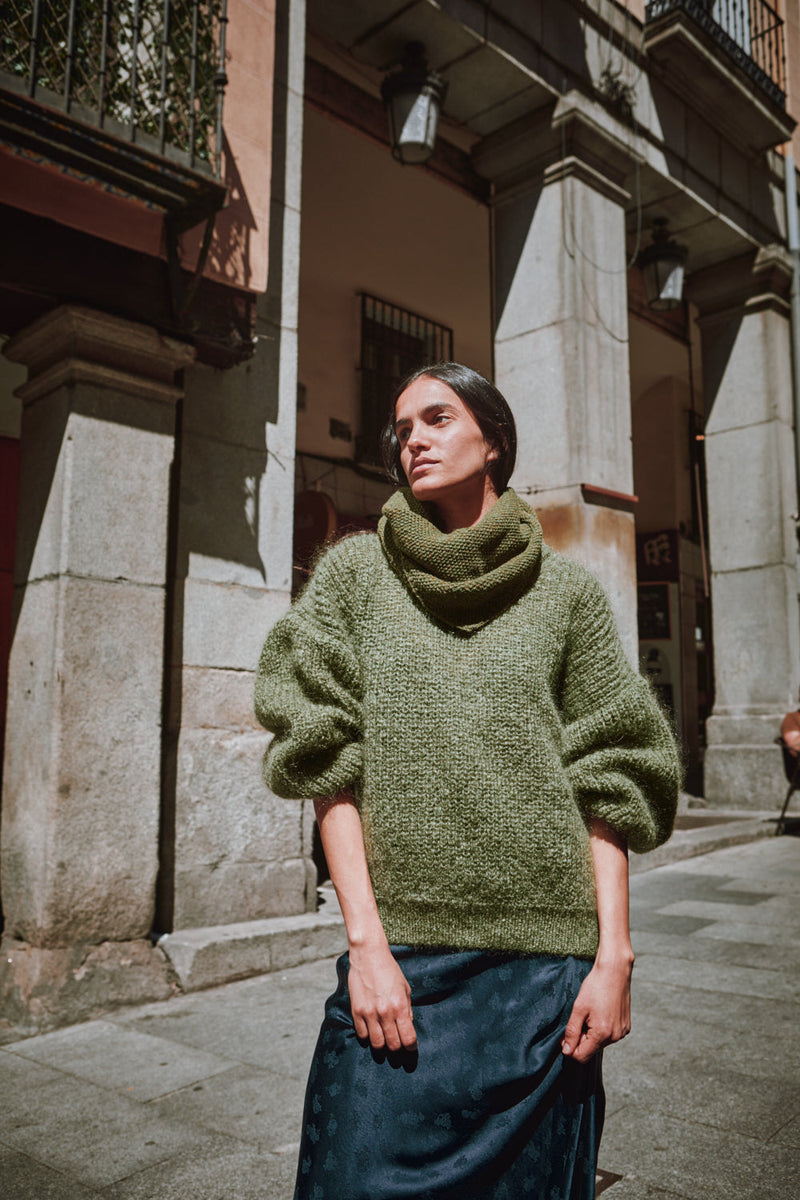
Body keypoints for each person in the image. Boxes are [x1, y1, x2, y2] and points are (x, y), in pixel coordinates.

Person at [255, 362, 680, 1200]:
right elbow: (324, 762)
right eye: (402, 427)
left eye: (438, 418)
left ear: (494, 440)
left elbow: (614, 777)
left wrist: (614, 957)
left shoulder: (567, 598)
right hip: (400, 969)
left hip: (542, 977)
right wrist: (366, 948)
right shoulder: (352, 578)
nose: (413, 437)